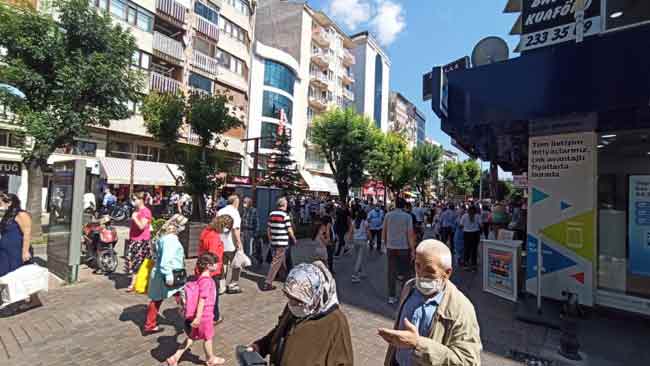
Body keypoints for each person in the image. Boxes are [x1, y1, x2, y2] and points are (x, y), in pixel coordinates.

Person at [379, 240, 482, 366]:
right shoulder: (409, 287)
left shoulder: (462, 308)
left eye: (430, 270)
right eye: (417, 266)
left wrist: (418, 344)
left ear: (447, 273)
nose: (421, 275)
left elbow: (468, 361)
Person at [248, 262, 354, 366]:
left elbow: (343, 362)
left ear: (316, 296)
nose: (292, 304)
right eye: (290, 297)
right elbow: (280, 332)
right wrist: (260, 346)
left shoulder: (336, 322)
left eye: (299, 301)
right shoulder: (294, 308)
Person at [164, 253, 224, 366]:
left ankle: (174, 358)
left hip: (200, 315)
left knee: (191, 337)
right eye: (215, 263)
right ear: (208, 266)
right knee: (208, 337)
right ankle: (211, 359)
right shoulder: (207, 281)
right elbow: (202, 299)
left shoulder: (201, 278)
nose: (218, 265)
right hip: (205, 315)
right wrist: (198, 317)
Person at [143, 214, 187, 334]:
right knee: (183, 297)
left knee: (157, 299)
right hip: (172, 274)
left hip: (160, 273)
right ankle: (190, 321)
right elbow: (166, 259)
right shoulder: (170, 240)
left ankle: (150, 324)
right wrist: (168, 275)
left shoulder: (163, 237)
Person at [0, 193, 41, 310]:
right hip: (6, 251)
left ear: (10, 202)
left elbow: (27, 234)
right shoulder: (8, 215)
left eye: (1, 202)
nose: (0, 205)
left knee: (21, 275)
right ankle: (13, 299)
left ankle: (31, 300)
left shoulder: (21, 214)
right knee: (7, 275)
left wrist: (25, 251)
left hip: (18, 251)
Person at [198, 215, 234, 325]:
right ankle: (214, 317)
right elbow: (212, 255)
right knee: (213, 295)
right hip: (211, 270)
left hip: (202, 267)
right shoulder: (213, 237)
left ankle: (206, 315)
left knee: (205, 294)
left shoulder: (206, 231)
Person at [383, 198, 416, 304]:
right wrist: (412, 249)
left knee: (391, 272)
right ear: (404, 206)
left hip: (391, 247)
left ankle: (391, 296)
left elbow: (384, 231)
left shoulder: (388, 215)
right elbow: (410, 234)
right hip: (404, 247)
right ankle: (404, 294)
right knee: (405, 272)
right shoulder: (407, 217)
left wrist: (385, 244)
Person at [262, 197, 296, 291]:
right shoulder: (285, 215)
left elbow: (268, 229)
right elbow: (289, 229)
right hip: (282, 242)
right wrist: (294, 239)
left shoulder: (272, 214)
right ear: (284, 205)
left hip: (274, 242)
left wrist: (270, 239)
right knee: (276, 262)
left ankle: (284, 276)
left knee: (279, 261)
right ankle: (268, 283)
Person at [126, 192, 153, 293]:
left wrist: (134, 217)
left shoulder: (145, 212)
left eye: (134, 199)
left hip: (141, 240)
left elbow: (142, 226)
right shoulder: (137, 211)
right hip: (134, 239)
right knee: (133, 262)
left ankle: (134, 283)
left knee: (137, 262)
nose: (133, 201)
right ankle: (136, 282)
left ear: (140, 200)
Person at [216, 195, 242, 294]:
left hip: (220, 242)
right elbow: (236, 229)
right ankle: (233, 285)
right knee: (237, 264)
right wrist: (239, 243)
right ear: (235, 202)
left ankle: (221, 287)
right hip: (231, 243)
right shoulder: (235, 212)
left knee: (223, 265)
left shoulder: (220, 211)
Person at [351, 210, 371, 284]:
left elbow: (351, 231)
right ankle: (355, 275)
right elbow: (368, 232)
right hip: (362, 241)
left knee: (358, 257)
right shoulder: (365, 222)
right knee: (360, 258)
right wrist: (370, 239)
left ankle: (361, 272)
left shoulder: (354, 222)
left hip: (355, 240)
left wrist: (350, 240)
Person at [460, 206, 482, 271]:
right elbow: (481, 225)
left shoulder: (464, 216)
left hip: (467, 234)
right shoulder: (477, 216)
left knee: (467, 249)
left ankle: (466, 264)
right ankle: (473, 264)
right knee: (474, 249)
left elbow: (461, 225)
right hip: (475, 234)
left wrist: (466, 227)